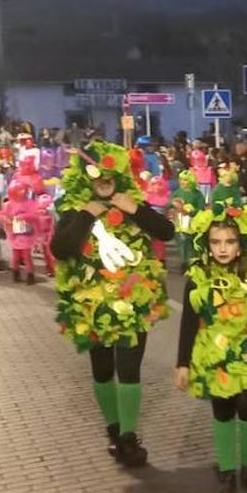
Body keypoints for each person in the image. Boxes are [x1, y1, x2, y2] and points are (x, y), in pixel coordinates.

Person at [50, 141, 174, 467]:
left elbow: (167, 232)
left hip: (133, 302)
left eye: (109, 176)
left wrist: (136, 210)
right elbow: (60, 248)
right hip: (92, 307)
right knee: (103, 371)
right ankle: (114, 430)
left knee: (129, 369)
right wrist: (86, 214)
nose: (103, 182)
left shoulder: (134, 204)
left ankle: (129, 438)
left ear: (118, 175)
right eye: (97, 177)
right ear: (86, 178)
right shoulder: (73, 209)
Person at [175, 204, 247, 493]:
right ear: (206, 245)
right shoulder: (197, 278)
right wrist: (182, 363)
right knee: (223, 410)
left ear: (241, 244)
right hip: (214, 353)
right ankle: (226, 472)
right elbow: (188, 321)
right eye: (216, 242)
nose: (222, 249)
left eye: (230, 241)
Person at [170, 170, 206, 271]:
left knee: (190, 243)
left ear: (190, 181)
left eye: (185, 180)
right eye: (181, 179)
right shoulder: (177, 192)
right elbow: (170, 203)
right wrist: (174, 206)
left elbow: (201, 208)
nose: (182, 182)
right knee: (180, 242)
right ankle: (183, 262)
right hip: (179, 223)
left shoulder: (197, 194)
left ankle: (191, 263)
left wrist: (190, 212)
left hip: (192, 223)